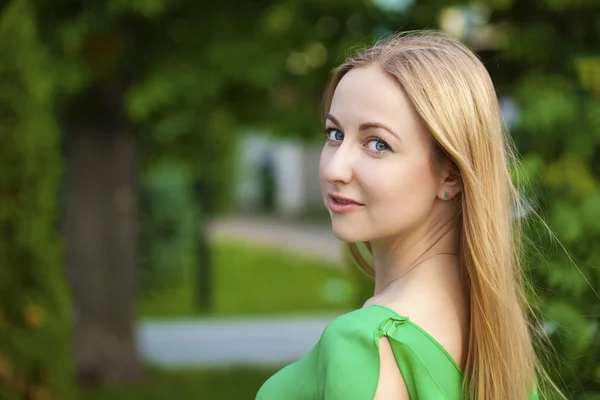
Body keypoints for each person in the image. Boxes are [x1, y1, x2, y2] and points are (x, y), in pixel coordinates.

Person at [256, 30, 549, 400]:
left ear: (451, 175)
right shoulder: (501, 346)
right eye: (334, 134)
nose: (335, 169)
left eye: (377, 144)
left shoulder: (365, 343)